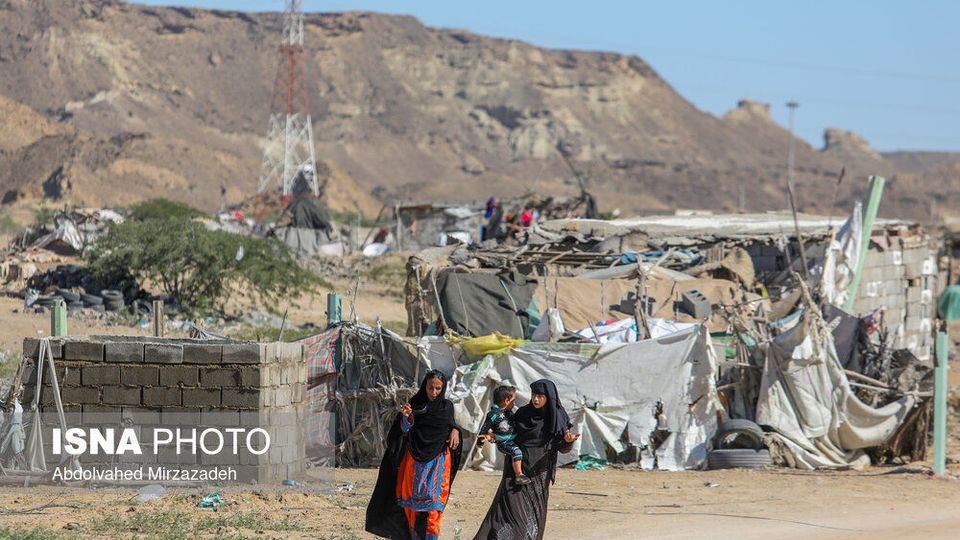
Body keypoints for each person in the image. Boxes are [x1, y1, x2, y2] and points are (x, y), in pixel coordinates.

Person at [474, 379, 580, 540]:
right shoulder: (523, 413)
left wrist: (567, 441)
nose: (535, 399)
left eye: (540, 396)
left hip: (538, 476)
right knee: (510, 514)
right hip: (516, 472)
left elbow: (562, 447)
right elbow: (509, 433)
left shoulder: (557, 417)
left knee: (532, 519)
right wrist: (495, 436)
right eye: (533, 395)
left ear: (549, 397)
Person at [366, 370, 463, 540]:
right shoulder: (415, 405)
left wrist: (456, 430)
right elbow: (402, 432)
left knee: (434, 509)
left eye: (438, 388)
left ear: (443, 388)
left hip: (438, 462)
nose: (434, 392)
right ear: (424, 386)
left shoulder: (446, 406)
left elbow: (450, 424)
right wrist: (405, 418)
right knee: (412, 510)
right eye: (431, 388)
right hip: (414, 461)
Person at [475, 385, 530, 486]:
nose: (514, 403)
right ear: (506, 401)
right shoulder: (494, 414)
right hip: (504, 442)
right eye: (513, 401)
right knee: (516, 452)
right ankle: (519, 475)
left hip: (512, 439)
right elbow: (484, 428)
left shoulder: (508, 413)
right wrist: (480, 442)